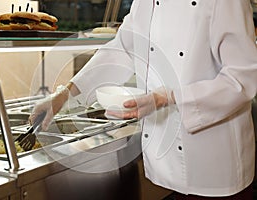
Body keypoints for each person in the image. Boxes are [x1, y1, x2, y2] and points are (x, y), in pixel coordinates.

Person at [29, 0, 257, 199]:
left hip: (213, 158)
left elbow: (243, 76)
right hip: (165, 162)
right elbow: (121, 50)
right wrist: (63, 95)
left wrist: (166, 97)